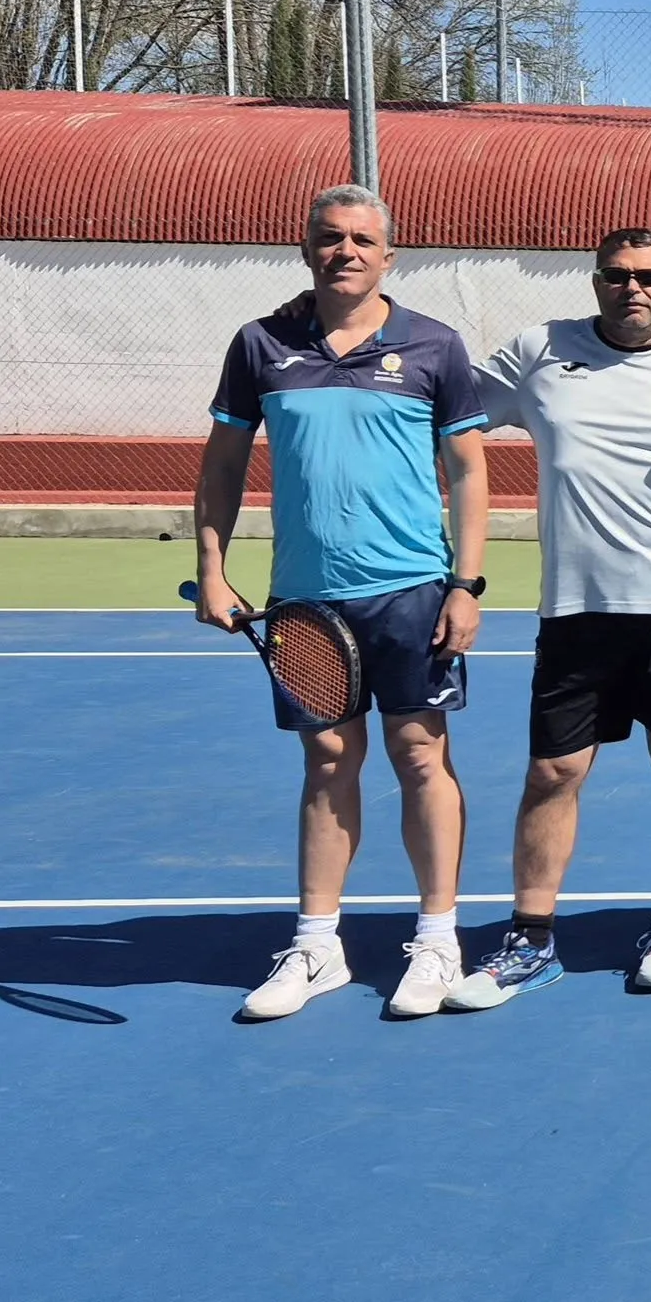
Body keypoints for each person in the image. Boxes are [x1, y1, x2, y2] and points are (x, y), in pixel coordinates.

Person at [194, 185, 489, 1021]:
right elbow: (221, 465)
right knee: (327, 761)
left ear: (389, 255)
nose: (346, 251)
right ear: (306, 249)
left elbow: (468, 471)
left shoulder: (434, 346)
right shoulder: (260, 345)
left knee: (421, 758)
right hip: (304, 601)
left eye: (363, 239)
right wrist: (213, 568)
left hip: (411, 593)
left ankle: (437, 942)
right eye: (331, 238)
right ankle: (318, 946)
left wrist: (465, 584)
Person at [443, 228, 651, 1008]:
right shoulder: (540, 351)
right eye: (617, 276)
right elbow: (446, 413)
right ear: (595, 282)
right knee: (553, 773)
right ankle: (530, 938)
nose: (633, 289)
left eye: (650, 276)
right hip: (578, 611)